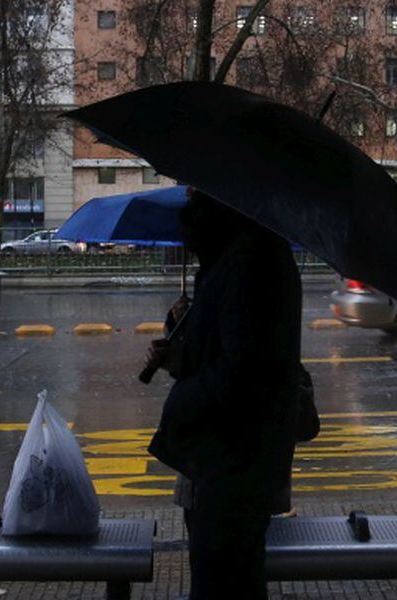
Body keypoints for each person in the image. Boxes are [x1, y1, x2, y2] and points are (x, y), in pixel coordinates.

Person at [145, 189, 302, 600]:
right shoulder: (238, 255)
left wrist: (180, 403)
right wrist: (179, 346)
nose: (185, 214)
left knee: (224, 582)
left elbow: (244, 371)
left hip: (233, 464)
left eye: (195, 198)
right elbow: (223, 350)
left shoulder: (249, 261)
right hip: (228, 463)